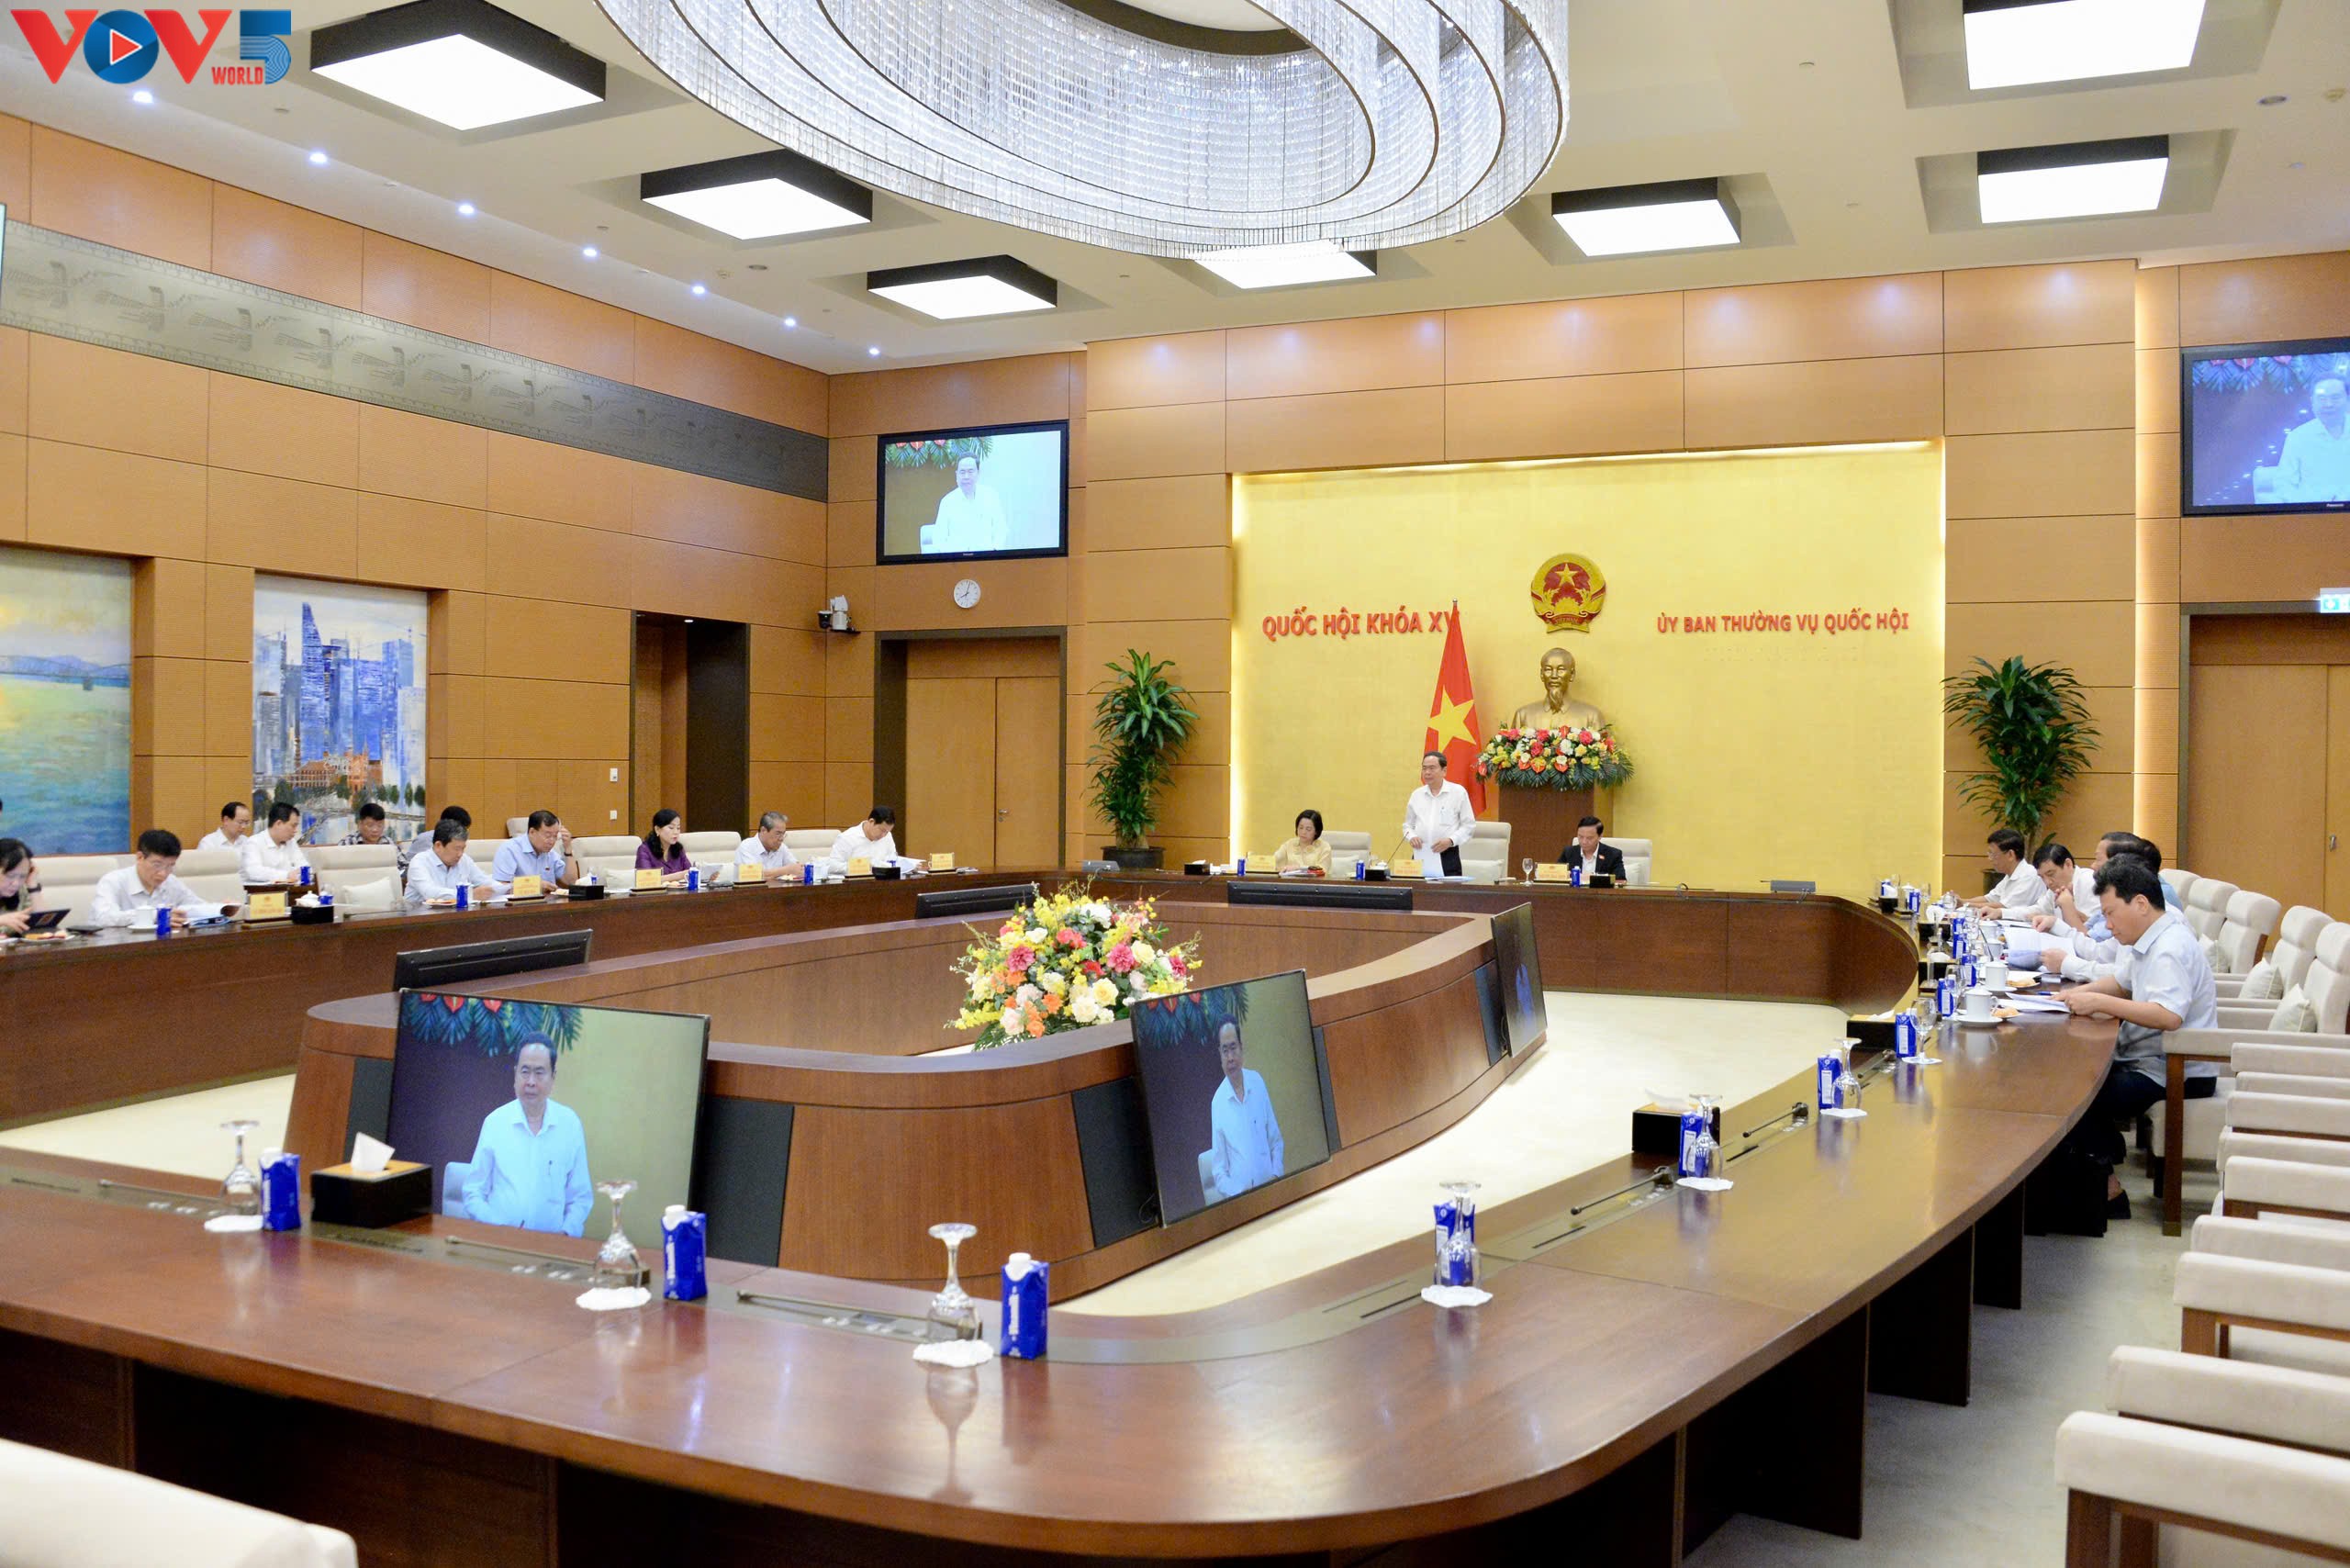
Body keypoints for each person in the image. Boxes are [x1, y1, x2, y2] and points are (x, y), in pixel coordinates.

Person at [2056, 857, 2218, 1216]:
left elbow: (2168, 1016)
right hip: (2152, 1059)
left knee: (2077, 1095)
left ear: (2141, 903)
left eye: (2110, 913)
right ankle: (2104, 1157)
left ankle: (2110, 1193)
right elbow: (2121, 981)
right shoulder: (2151, 937)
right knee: (2073, 1077)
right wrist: (2071, 996)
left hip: (2179, 1071)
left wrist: (2101, 1003)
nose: (2108, 925)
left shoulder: (2169, 947)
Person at [456, 1038, 592, 1237]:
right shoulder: (495, 1123)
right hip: (500, 1241)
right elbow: (473, 1192)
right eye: (525, 1071)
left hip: (552, 1245)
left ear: (553, 1077)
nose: (531, 1082)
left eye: (539, 1072)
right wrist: (499, 1228)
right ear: (515, 1074)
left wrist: (565, 1234)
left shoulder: (570, 1125)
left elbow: (580, 1198)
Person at [90, 830, 232, 927]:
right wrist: (156, 916)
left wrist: (220, 909)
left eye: (170, 866)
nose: (163, 873)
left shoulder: (171, 882)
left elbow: (196, 907)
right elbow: (104, 918)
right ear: (140, 857)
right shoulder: (113, 881)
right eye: (157, 865)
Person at [1207, 1022, 1284, 1200]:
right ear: (1220, 1055)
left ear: (1241, 1048)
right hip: (1243, 1202)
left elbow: (1276, 1142)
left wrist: (1276, 1176)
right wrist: (1239, 1193)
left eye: (1233, 1048)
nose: (1230, 1058)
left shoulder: (1257, 1082)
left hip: (1273, 1192)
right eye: (1225, 1051)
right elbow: (1219, 1172)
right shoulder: (1218, 1103)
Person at [2276, 375, 2350, 504]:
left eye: (2335, 398)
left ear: (2348, 399)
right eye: (2322, 399)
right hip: (2313, 513)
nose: (2329, 404)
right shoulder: (2298, 437)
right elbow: (2284, 485)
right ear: (2312, 402)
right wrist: (2307, 508)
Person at [1401, 751, 1474, 878]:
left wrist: (1451, 840)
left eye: (1432, 768)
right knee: (1419, 890)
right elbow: (1408, 825)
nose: (1427, 772)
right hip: (1420, 854)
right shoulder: (1417, 795)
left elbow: (1469, 825)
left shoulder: (1458, 793)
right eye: (1424, 768)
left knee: (1448, 891)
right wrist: (1412, 836)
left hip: (1448, 855)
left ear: (1444, 771)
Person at [406, 816, 507, 905]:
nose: (460, 854)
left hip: (455, 915)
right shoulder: (419, 861)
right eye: (457, 849)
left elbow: (484, 881)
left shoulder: (464, 860)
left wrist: (505, 889)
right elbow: (430, 893)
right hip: (420, 916)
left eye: (463, 848)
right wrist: (469, 895)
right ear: (438, 846)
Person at [924, 455, 1008, 554]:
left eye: (970, 471)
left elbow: (1001, 530)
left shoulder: (991, 497)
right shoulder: (947, 501)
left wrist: (993, 552)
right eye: (962, 472)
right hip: (957, 559)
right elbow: (939, 539)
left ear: (978, 473)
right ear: (956, 475)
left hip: (985, 557)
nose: (966, 477)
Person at [1965, 828, 2049, 918]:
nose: (1990, 859)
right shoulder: (2010, 875)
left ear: (2010, 855)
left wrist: (1966, 905)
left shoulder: (2029, 875)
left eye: (1993, 854)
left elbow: (2005, 907)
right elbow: (1989, 899)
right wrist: (1962, 901)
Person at [494, 810, 576, 890]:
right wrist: (534, 886)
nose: (552, 841)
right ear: (532, 832)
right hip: (522, 899)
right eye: (548, 836)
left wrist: (568, 850)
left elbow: (571, 882)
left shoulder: (550, 853)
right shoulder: (509, 849)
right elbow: (501, 886)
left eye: (555, 836)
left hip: (549, 898)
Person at [239, 801, 311, 885]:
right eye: (293, 826)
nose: (295, 830)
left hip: (289, 889)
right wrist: (287, 875)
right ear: (278, 824)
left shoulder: (291, 842)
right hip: (261, 891)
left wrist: (301, 873)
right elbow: (254, 871)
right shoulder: (254, 843)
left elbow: (305, 867)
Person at [824, 807, 899, 872]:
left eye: (887, 832)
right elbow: (832, 866)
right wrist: (861, 867)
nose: (883, 835)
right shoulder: (848, 837)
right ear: (871, 822)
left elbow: (892, 858)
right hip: (855, 881)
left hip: (881, 881)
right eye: (882, 830)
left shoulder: (887, 836)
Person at [736, 811, 800, 883]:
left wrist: (799, 870)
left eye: (783, 834)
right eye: (778, 833)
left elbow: (797, 868)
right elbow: (753, 875)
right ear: (763, 830)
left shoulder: (781, 847)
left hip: (777, 889)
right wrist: (786, 870)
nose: (781, 838)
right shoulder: (747, 846)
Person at [1559, 815, 1626, 883]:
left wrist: (1593, 877)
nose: (1584, 842)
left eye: (1589, 838)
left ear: (1600, 836)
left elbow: (1621, 880)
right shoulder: (1568, 852)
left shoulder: (1613, 855)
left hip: (1600, 890)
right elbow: (1556, 875)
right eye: (1581, 837)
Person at [404, 805, 469, 874]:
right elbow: (427, 868)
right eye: (462, 829)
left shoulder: (457, 845)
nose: (464, 833)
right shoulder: (426, 839)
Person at [636, 808, 692, 887]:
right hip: (655, 893)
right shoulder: (645, 850)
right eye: (671, 828)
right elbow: (646, 879)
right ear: (657, 829)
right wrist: (680, 875)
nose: (676, 832)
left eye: (678, 828)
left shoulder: (678, 849)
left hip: (679, 892)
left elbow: (690, 872)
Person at [0, 837, 41, 936]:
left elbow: (44, 924)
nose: (16, 883)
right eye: (10, 876)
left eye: (22, 876)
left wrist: (33, 886)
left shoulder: (22, 890)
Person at [1272, 810, 1330, 874]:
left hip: (1314, 880)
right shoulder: (1289, 844)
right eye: (1301, 828)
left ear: (1316, 831)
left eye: (1308, 829)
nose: (1303, 832)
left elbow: (1322, 870)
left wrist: (1299, 868)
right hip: (1290, 880)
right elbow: (1274, 860)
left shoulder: (1324, 847)